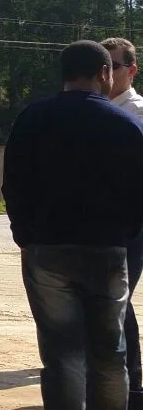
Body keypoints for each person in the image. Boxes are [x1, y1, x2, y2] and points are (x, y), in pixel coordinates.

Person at [3, 39, 143, 409]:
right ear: (104, 73)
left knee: (61, 352)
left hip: (47, 251)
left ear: (63, 74)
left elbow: (13, 184)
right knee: (110, 352)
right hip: (108, 251)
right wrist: (123, 233)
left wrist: (25, 236)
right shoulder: (126, 125)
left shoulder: (32, 118)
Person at [102, 37, 143, 408]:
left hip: (131, 224)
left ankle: (133, 387)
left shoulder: (137, 113)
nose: (106, 72)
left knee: (117, 301)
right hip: (100, 225)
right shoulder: (93, 109)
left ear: (131, 71)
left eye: (113, 65)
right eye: (103, 64)